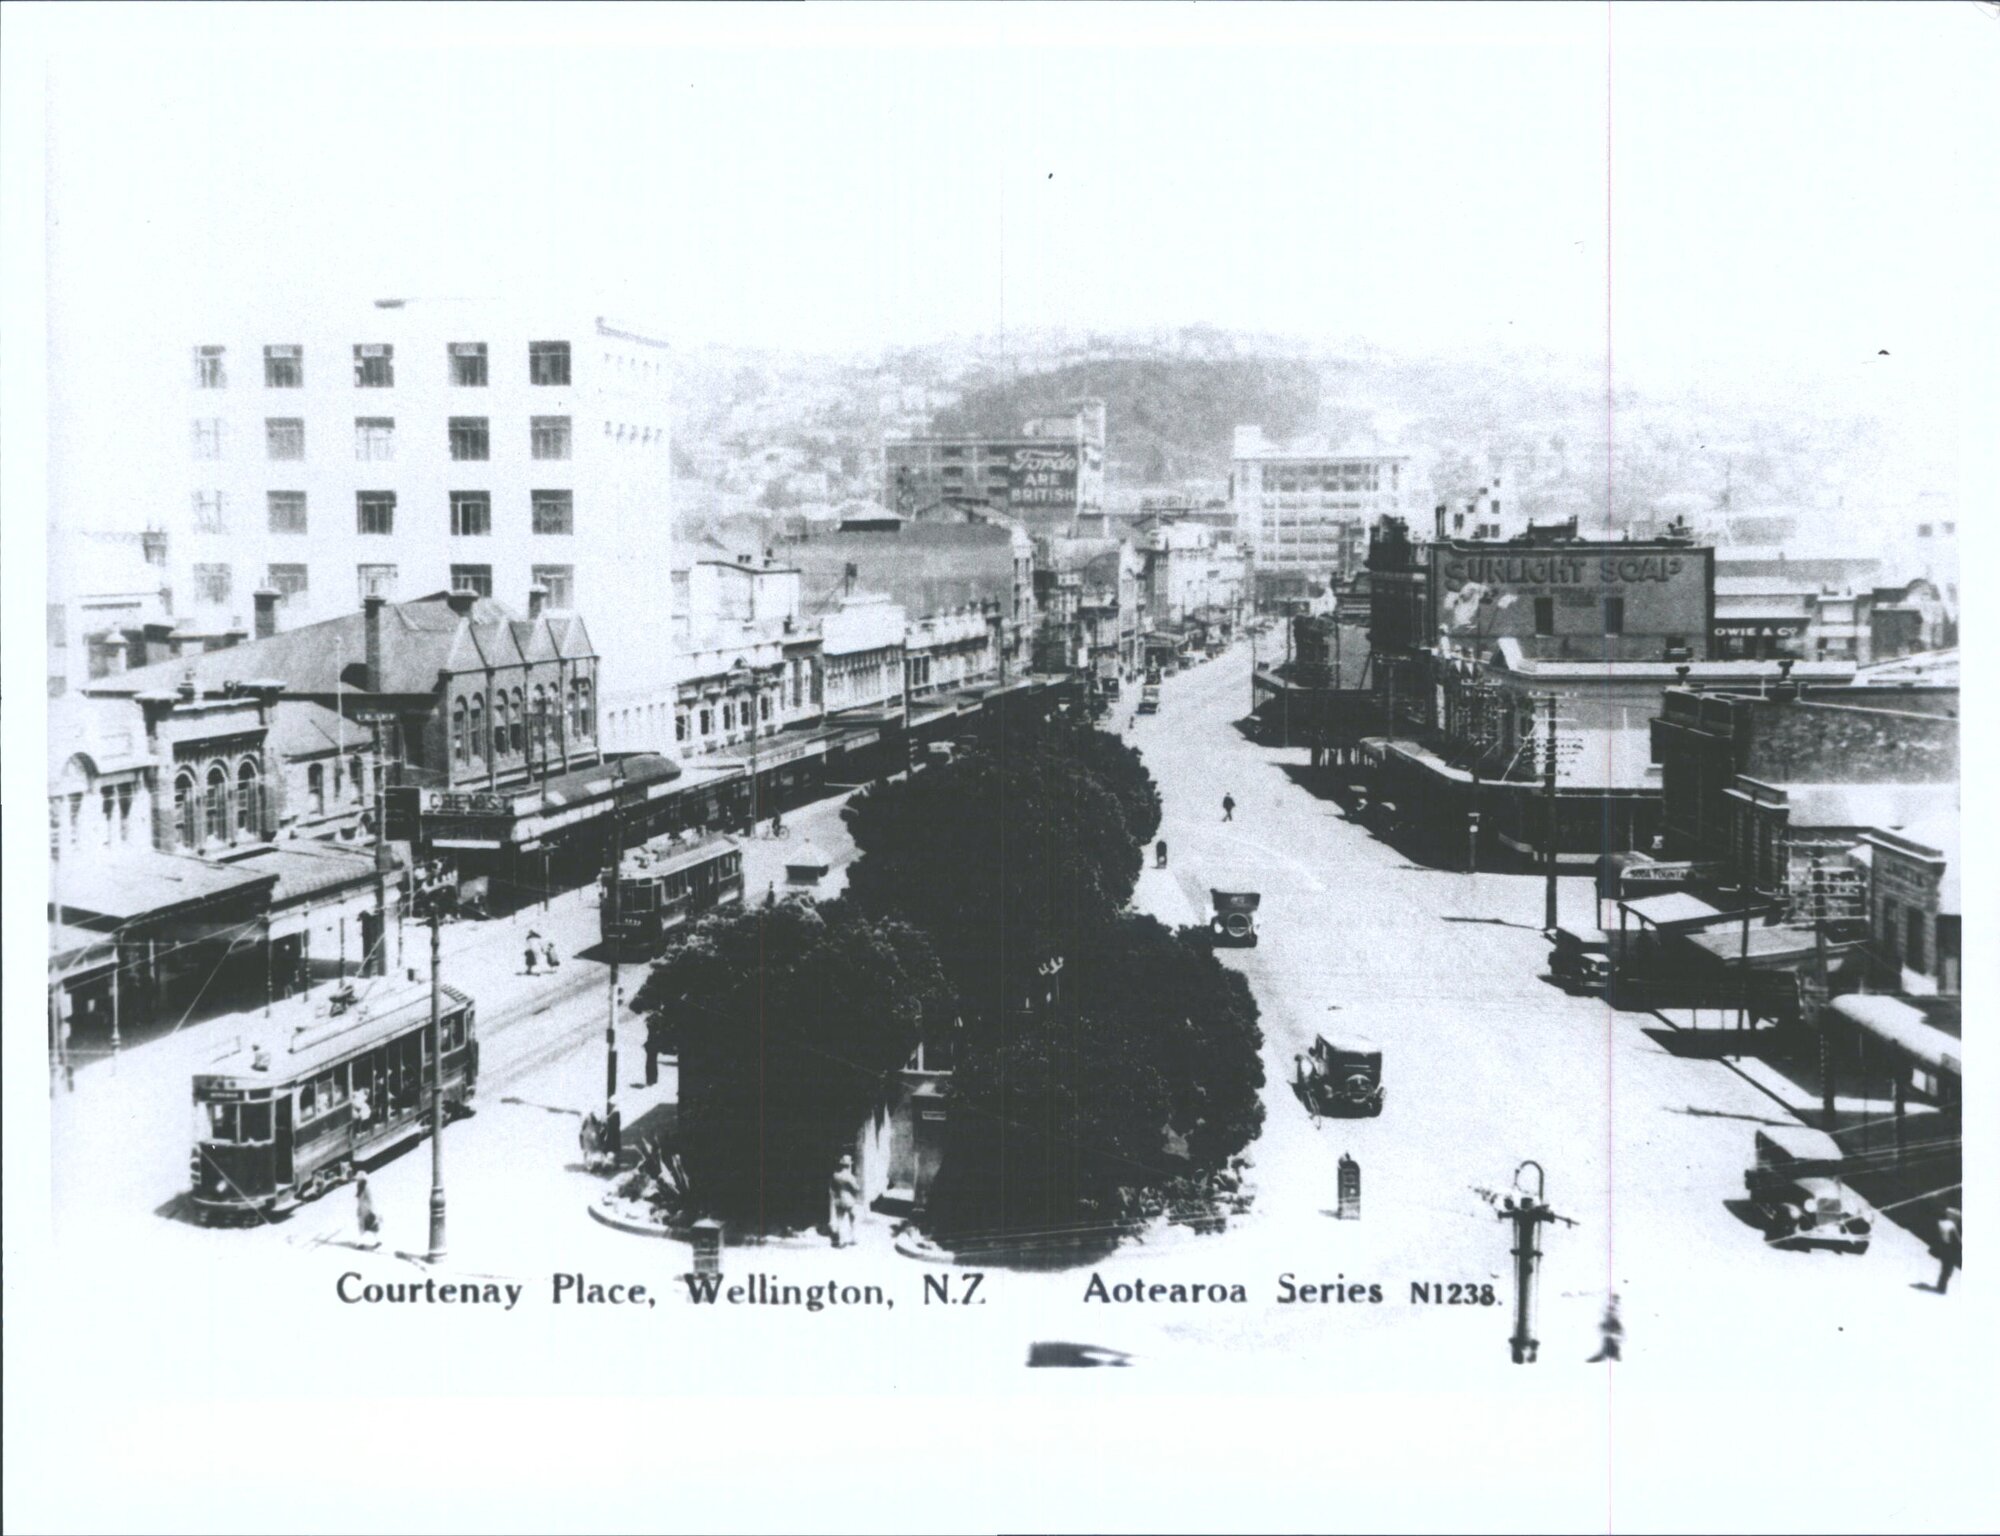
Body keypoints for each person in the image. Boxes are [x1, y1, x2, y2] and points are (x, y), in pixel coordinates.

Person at [829, 1154, 861, 1249]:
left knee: (840, 1220)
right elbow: (856, 1188)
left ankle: (841, 1241)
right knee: (853, 1219)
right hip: (849, 1200)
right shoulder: (849, 1177)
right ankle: (853, 1238)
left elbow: (832, 1189)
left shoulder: (835, 1175)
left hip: (839, 1199)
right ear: (849, 1165)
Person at [1586, 1294, 1624, 1361]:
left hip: (1613, 1334)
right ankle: (1610, 1353)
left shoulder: (1615, 1313)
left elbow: (1618, 1331)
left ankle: (1612, 1353)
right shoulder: (1611, 1311)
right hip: (1611, 1332)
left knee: (1610, 1336)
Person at [1934, 1207, 1962, 1294]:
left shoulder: (1945, 1224)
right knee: (1947, 1270)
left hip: (1947, 1249)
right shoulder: (1950, 1225)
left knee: (1946, 1269)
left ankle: (1941, 1286)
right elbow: (1955, 1240)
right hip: (1951, 1250)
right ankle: (1941, 1288)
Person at [354, 1173, 382, 1247]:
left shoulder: (366, 1187)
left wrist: (372, 1210)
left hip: (367, 1210)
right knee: (362, 1227)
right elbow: (360, 1201)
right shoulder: (360, 1187)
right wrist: (358, 1210)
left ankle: (377, 1241)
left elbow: (370, 1199)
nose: (357, 1180)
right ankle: (361, 1243)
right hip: (362, 1211)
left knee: (372, 1226)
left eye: (358, 1179)